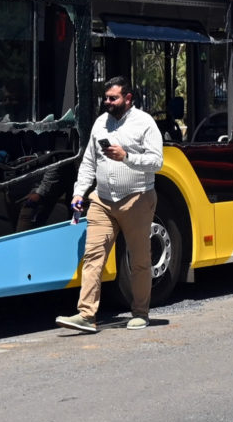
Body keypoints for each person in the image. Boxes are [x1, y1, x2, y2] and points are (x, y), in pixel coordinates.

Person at [56, 77, 165, 334]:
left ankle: (140, 313)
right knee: (93, 256)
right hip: (102, 200)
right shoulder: (100, 124)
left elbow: (156, 161)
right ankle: (86, 315)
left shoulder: (145, 123)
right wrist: (79, 192)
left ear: (128, 99)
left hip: (137, 199)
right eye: (105, 98)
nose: (107, 102)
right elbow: (89, 163)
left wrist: (126, 157)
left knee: (139, 259)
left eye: (113, 98)